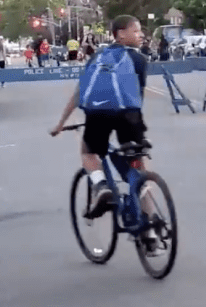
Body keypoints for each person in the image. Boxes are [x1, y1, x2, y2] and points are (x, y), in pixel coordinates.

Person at [49, 15, 161, 254]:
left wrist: (61, 123)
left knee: (88, 153)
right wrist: (137, 127)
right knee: (138, 168)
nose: (141, 35)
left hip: (98, 115)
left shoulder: (97, 58)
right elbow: (137, 97)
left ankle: (101, 186)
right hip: (129, 116)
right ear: (120, 33)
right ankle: (150, 231)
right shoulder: (139, 59)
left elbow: (80, 93)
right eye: (136, 30)